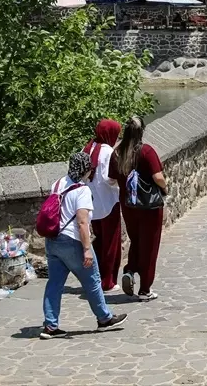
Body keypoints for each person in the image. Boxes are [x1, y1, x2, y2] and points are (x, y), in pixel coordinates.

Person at [39, 152, 128, 339]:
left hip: (53, 239)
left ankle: (50, 325)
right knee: (92, 279)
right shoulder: (82, 190)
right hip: (72, 241)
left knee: (54, 283)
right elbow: (82, 222)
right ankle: (104, 318)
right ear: (86, 169)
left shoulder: (58, 183)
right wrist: (87, 249)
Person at [110, 117, 166, 302]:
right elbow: (158, 177)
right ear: (142, 131)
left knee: (136, 240)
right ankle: (145, 289)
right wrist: (165, 188)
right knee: (150, 245)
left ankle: (130, 269)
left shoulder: (117, 153)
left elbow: (111, 178)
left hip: (129, 205)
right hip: (148, 206)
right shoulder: (146, 151)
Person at [82, 119, 122, 292]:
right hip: (108, 203)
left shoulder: (86, 149)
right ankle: (108, 281)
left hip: (90, 205)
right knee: (111, 245)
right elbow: (109, 179)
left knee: (97, 244)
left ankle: (94, 278)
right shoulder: (108, 152)